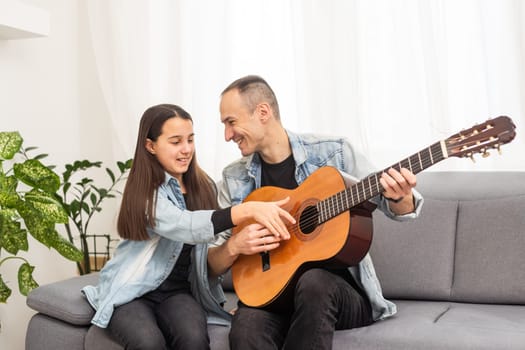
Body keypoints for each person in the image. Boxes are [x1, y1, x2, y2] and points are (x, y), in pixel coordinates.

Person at [207, 75, 424, 350]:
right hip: (273, 298)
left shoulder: (334, 153)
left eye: (231, 122)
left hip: (339, 296)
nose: (227, 135)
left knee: (314, 283)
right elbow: (210, 265)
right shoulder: (233, 178)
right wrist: (235, 245)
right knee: (245, 330)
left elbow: (395, 207)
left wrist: (400, 196)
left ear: (263, 112)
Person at [82, 103, 295, 350]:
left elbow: (219, 246)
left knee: (193, 340)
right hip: (133, 292)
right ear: (150, 146)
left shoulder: (205, 187)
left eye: (190, 140)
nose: (186, 150)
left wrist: (254, 301)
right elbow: (186, 226)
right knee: (148, 342)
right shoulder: (146, 194)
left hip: (178, 293)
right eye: (175, 142)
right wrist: (246, 210)